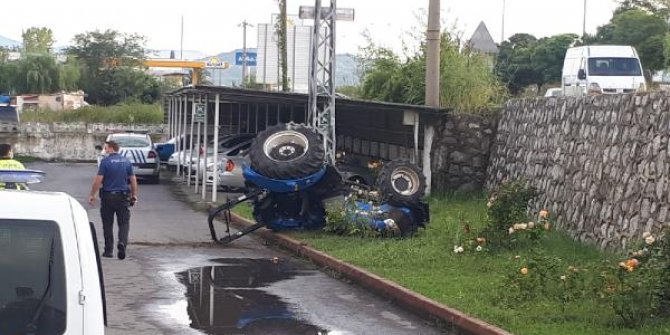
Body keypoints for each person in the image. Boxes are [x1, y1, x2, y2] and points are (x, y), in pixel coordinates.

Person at [88, 140, 138, 260]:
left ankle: (108, 250)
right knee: (124, 223)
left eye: (106, 148)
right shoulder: (126, 162)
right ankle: (122, 243)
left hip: (108, 197)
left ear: (111, 148)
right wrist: (134, 195)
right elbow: (133, 180)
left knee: (107, 224)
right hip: (123, 197)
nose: (105, 150)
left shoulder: (105, 162)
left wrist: (92, 194)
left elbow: (98, 180)